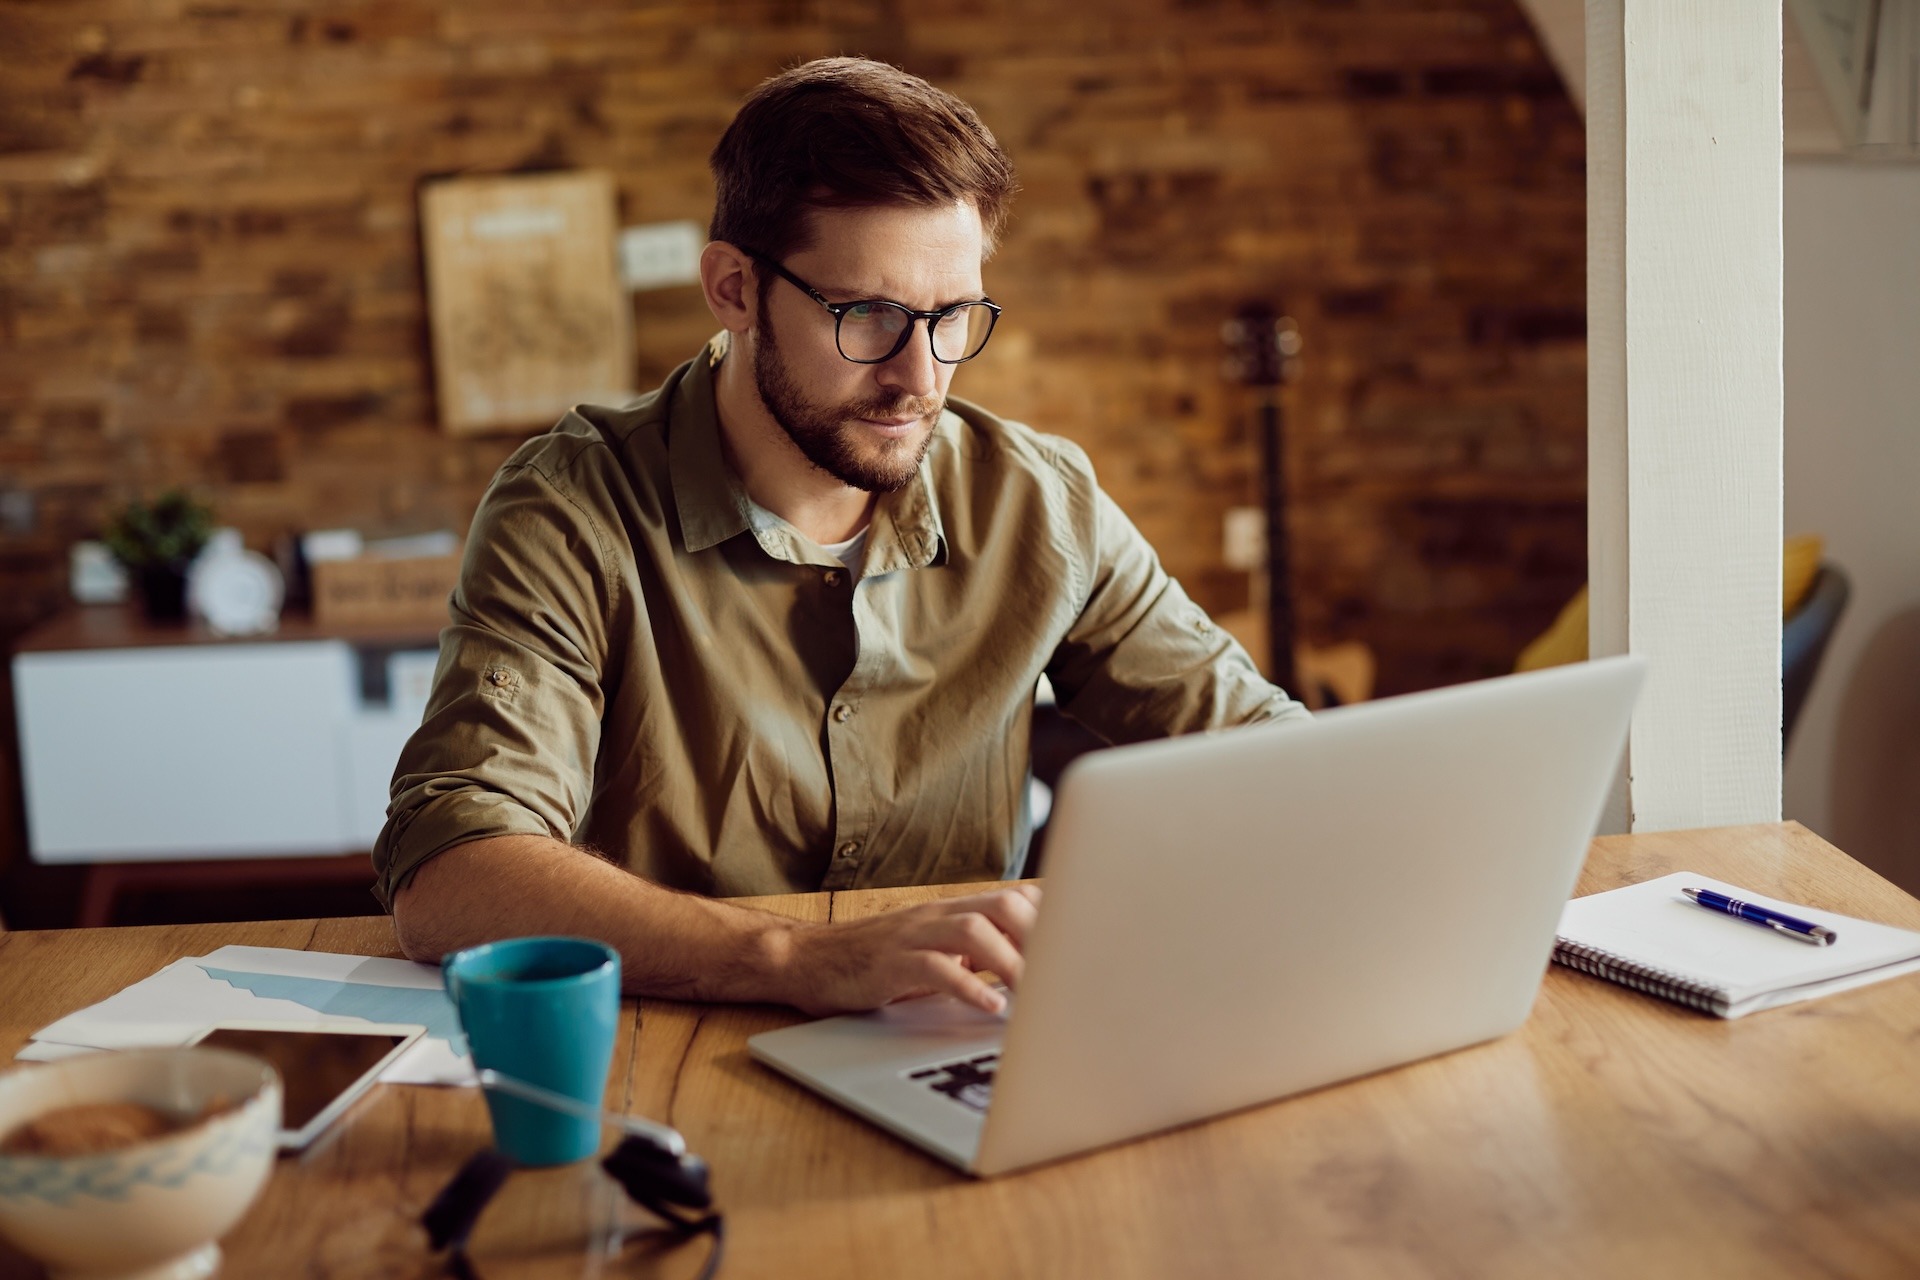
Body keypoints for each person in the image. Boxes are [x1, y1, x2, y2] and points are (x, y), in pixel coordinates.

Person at [376, 56, 1306, 1018]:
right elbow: (453, 874)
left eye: (954, 318)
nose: (921, 376)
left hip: (955, 1037)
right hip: (671, 1046)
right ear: (734, 289)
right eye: (869, 316)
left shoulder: (1040, 500)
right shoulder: (570, 510)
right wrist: (797, 958)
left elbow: (1275, 757)